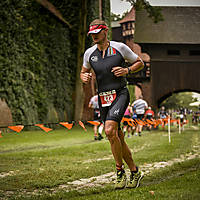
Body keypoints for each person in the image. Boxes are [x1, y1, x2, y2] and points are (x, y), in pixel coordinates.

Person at [80, 19, 144, 189]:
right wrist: (84, 77)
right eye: (91, 33)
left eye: (96, 32)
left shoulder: (120, 48)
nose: (94, 36)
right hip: (103, 98)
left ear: (105, 31)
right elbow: (83, 71)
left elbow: (140, 63)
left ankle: (119, 172)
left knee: (109, 130)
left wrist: (127, 70)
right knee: (117, 137)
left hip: (120, 94)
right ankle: (135, 171)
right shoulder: (89, 53)